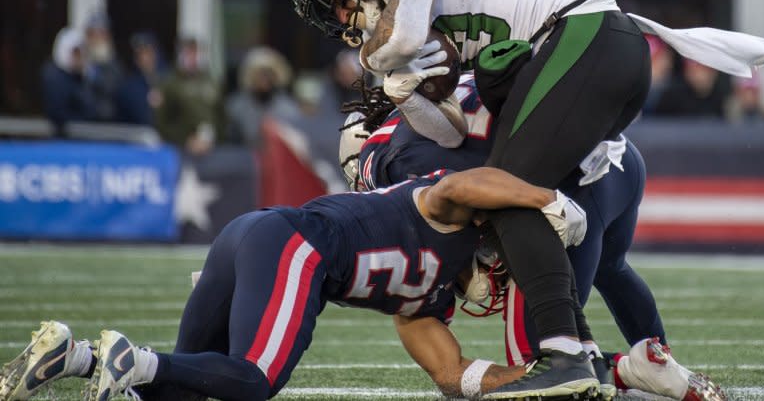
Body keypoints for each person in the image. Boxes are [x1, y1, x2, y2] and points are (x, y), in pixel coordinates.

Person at [285, 0, 764, 397]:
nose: (343, 19)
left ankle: (572, 355)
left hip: (584, 46)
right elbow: (451, 134)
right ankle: (645, 361)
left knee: (511, 229)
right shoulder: (428, 24)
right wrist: (406, 93)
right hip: (607, 118)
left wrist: (374, 60)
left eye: (334, 2)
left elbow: (406, 41)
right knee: (593, 259)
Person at [0, 167, 589, 401]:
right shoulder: (455, 216)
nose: (493, 286)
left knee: (194, 385)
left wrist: (532, 382)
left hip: (253, 233)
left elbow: (450, 374)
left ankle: (71, 355)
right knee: (254, 381)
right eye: (500, 270)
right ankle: (133, 359)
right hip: (295, 244)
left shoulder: (425, 306)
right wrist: (547, 200)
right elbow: (461, 183)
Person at [340, 73, 727, 401]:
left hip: (577, 185)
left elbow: (478, 192)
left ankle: (634, 372)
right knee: (612, 267)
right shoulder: (426, 111)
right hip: (620, 159)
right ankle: (657, 358)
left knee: (544, 363)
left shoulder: (392, 164)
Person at [155, 36, 221, 156]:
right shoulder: (169, 83)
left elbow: (220, 115)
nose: (192, 57)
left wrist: (214, 138)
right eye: (187, 52)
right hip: (182, 149)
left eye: (194, 52)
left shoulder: (211, 81)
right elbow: (162, 122)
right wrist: (186, 139)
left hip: (211, 148)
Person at [224, 46, 301, 148]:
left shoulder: (288, 108)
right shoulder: (236, 106)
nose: (264, 78)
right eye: (260, 73)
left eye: (269, 73)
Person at [40, 27, 97, 136]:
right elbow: (59, 114)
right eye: (76, 53)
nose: (80, 57)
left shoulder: (81, 77)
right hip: (66, 142)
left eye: (81, 52)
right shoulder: (54, 78)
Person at [115, 32, 164, 126]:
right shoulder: (127, 88)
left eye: (149, 52)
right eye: (141, 53)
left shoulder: (167, 81)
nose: (146, 58)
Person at [83, 9, 123, 122]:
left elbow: (112, 89)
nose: (96, 39)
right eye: (92, 34)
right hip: (82, 123)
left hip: (105, 123)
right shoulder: (79, 59)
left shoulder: (114, 65)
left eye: (101, 34)